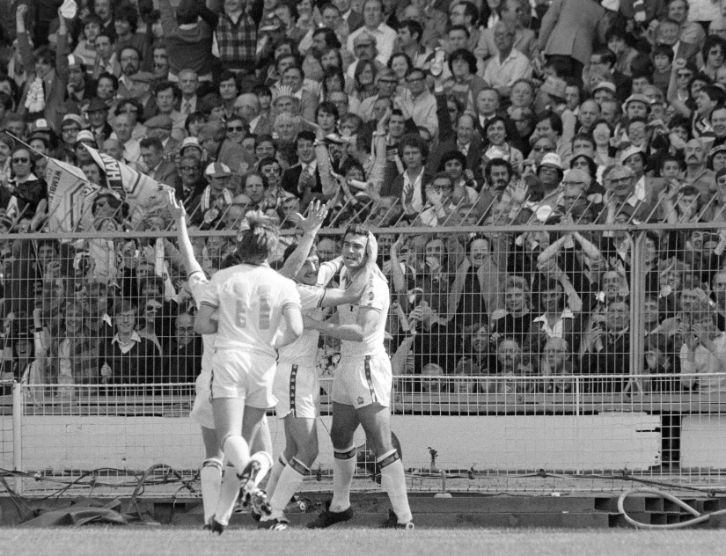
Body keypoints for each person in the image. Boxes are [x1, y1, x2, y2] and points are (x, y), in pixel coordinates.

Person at [168, 191, 275, 529]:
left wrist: (181, 222)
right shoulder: (263, 292)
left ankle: (213, 520)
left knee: (214, 454)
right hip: (250, 379)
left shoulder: (211, 289)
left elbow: (190, 262)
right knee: (264, 452)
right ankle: (251, 487)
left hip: (212, 380)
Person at [194, 208, 303, 534]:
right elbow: (295, 329)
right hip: (263, 362)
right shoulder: (283, 284)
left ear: (241, 247)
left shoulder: (223, 278)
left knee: (229, 438)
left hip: (229, 358)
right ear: (272, 249)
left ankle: (252, 488)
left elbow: (201, 323)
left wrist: (225, 322)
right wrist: (271, 340)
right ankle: (220, 520)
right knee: (250, 443)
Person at [304, 222, 414, 529]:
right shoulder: (345, 275)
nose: (351, 251)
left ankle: (404, 518)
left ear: (369, 252)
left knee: (380, 441)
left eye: (358, 247)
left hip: (367, 365)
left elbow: (362, 329)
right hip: (346, 365)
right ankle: (340, 506)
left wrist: (318, 326)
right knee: (340, 434)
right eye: (348, 244)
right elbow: (342, 310)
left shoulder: (374, 284)